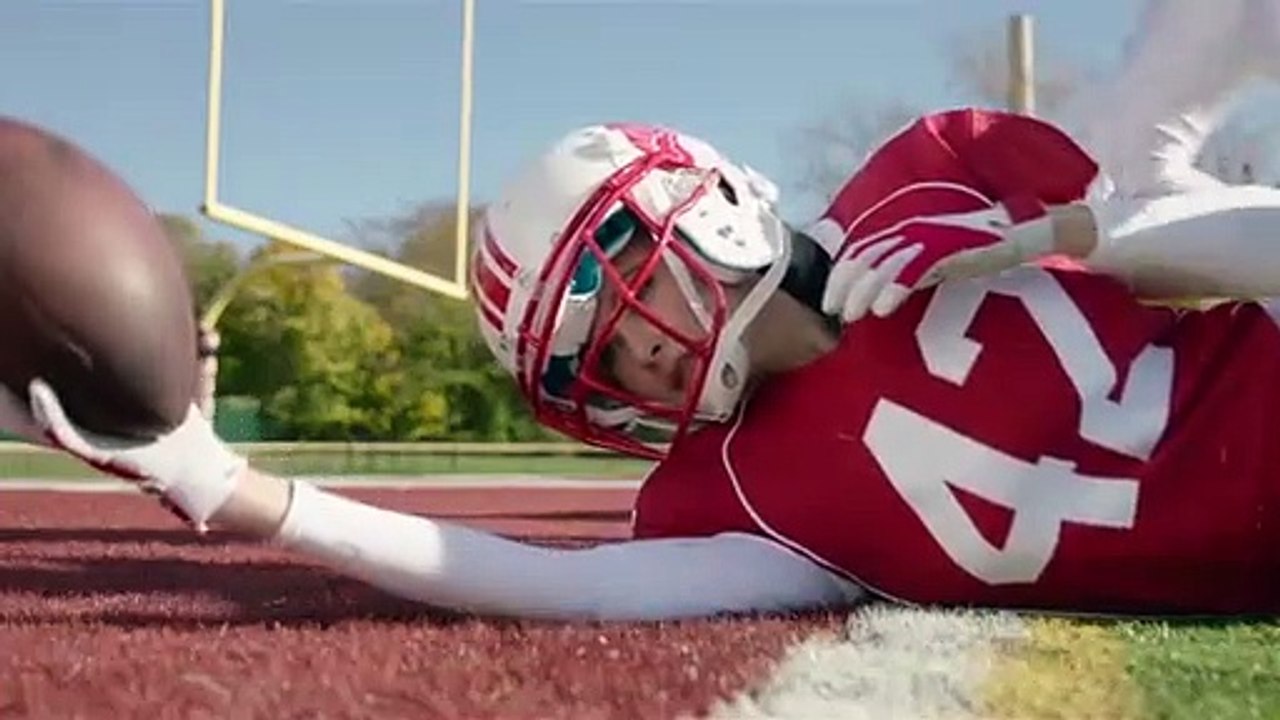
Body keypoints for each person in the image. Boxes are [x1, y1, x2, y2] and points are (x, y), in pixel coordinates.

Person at [8, 0, 1280, 621]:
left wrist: (1079, 234)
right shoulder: (753, 504)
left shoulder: (923, 185)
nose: (638, 348)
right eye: (598, 354)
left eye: (619, 291)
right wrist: (234, 491)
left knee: (1128, 144)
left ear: (697, 199)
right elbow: (560, 589)